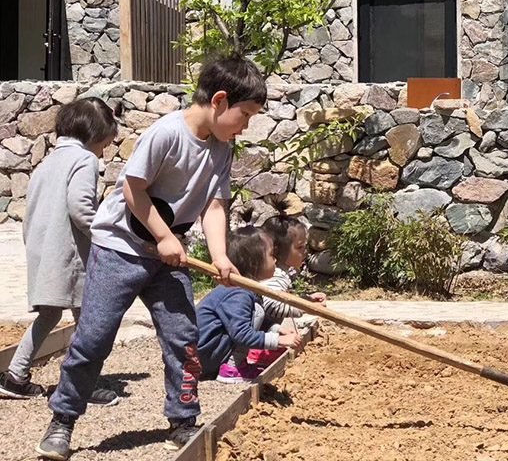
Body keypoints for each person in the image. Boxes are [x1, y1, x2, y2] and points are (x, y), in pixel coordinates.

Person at [36, 55, 266, 461]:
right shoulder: (167, 134)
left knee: (183, 339)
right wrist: (162, 236)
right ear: (219, 100)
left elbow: (214, 206)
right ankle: (63, 420)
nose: (245, 125)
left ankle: (183, 419)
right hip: (120, 249)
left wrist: (219, 258)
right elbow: (133, 191)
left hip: (169, 255)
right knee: (93, 338)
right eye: (245, 115)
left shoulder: (222, 149)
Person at [0, 98, 119, 406]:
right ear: (94, 135)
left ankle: (15, 376)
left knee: (49, 314)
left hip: (43, 250)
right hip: (70, 256)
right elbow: (81, 210)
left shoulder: (47, 162)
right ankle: (82, 384)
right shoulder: (84, 161)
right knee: (87, 318)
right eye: (104, 144)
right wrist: (107, 234)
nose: (103, 152)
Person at [197, 226, 302, 383]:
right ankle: (232, 368)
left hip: (210, 351)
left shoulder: (247, 288)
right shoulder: (238, 293)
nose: (275, 260)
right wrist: (279, 341)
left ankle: (236, 362)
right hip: (203, 356)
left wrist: (277, 330)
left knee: (258, 311)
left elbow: (248, 322)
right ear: (254, 264)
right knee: (258, 311)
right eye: (271, 255)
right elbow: (241, 333)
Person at [245, 197, 326, 368]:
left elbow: (283, 297)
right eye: (299, 248)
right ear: (277, 250)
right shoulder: (275, 274)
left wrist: (306, 299)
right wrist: (306, 307)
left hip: (267, 327)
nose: (305, 252)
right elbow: (272, 304)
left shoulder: (281, 271)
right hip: (253, 331)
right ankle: (256, 348)